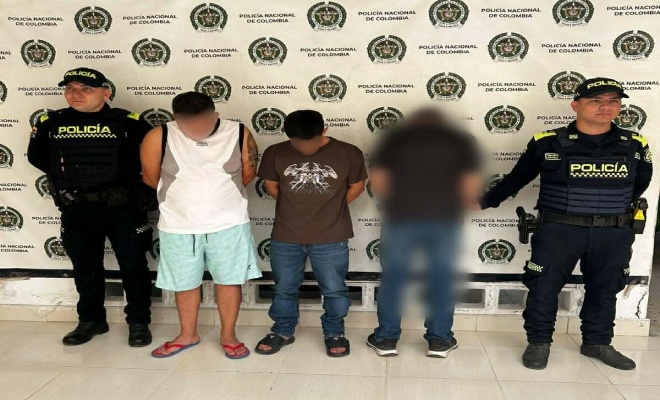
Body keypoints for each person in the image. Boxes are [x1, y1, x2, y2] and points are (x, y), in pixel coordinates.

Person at [480, 78, 653, 370]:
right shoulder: (546, 142)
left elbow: (640, 184)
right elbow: (517, 179)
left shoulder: (635, 143)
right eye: (596, 101)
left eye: (613, 101)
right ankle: (539, 343)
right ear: (576, 105)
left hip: (613, 232)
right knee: (543, 288)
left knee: (605, 290)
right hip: (559, 230)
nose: (606, 107)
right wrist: (484, 202)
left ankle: (597, 343)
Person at [27, 67, 154, 347]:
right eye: (70, 88)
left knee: (134, 267)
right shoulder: (50, 122)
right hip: (77, 209)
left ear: (105, 93)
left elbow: (153, 157)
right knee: (85, 268)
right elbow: (38, 158)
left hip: (124, 208)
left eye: (86, 88)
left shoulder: (128, 122)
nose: (76, 94)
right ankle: (91, 320)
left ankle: (138, 322)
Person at [141, 92, 262, 359]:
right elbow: (151, 178)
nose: (197, 128)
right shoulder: (159, 135)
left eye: (204, 122)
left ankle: (228, 335)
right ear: (175, 118)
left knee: (229, 281)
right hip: (178, 224)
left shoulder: (239, 132)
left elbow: (248, 173)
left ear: (216, 115)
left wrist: (216, 195)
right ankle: (188, 334)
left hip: (229, 222)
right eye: (188, 123)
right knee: (184, 283)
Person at [366, 108, 482, 358]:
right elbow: (470, 185)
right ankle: (439, 340)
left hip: (401, 218)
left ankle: (386, 339)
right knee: (441, 279)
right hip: (445, 219)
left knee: (394, 278)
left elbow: (378, 182)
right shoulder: (461, 141)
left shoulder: (393, 140)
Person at [255, 110, 367, 357]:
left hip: (331, 235)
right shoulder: (275, 152)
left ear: (324, 131)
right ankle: (282, 330)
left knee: (334, 289)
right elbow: (271, 185)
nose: (305, 148)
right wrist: (297, 208)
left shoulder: (349, 152)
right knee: (284, 288)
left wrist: (330, 208)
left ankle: (334, 332)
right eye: (297, 143)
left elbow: (357, 186)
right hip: (286, 234)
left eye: (311, 142)